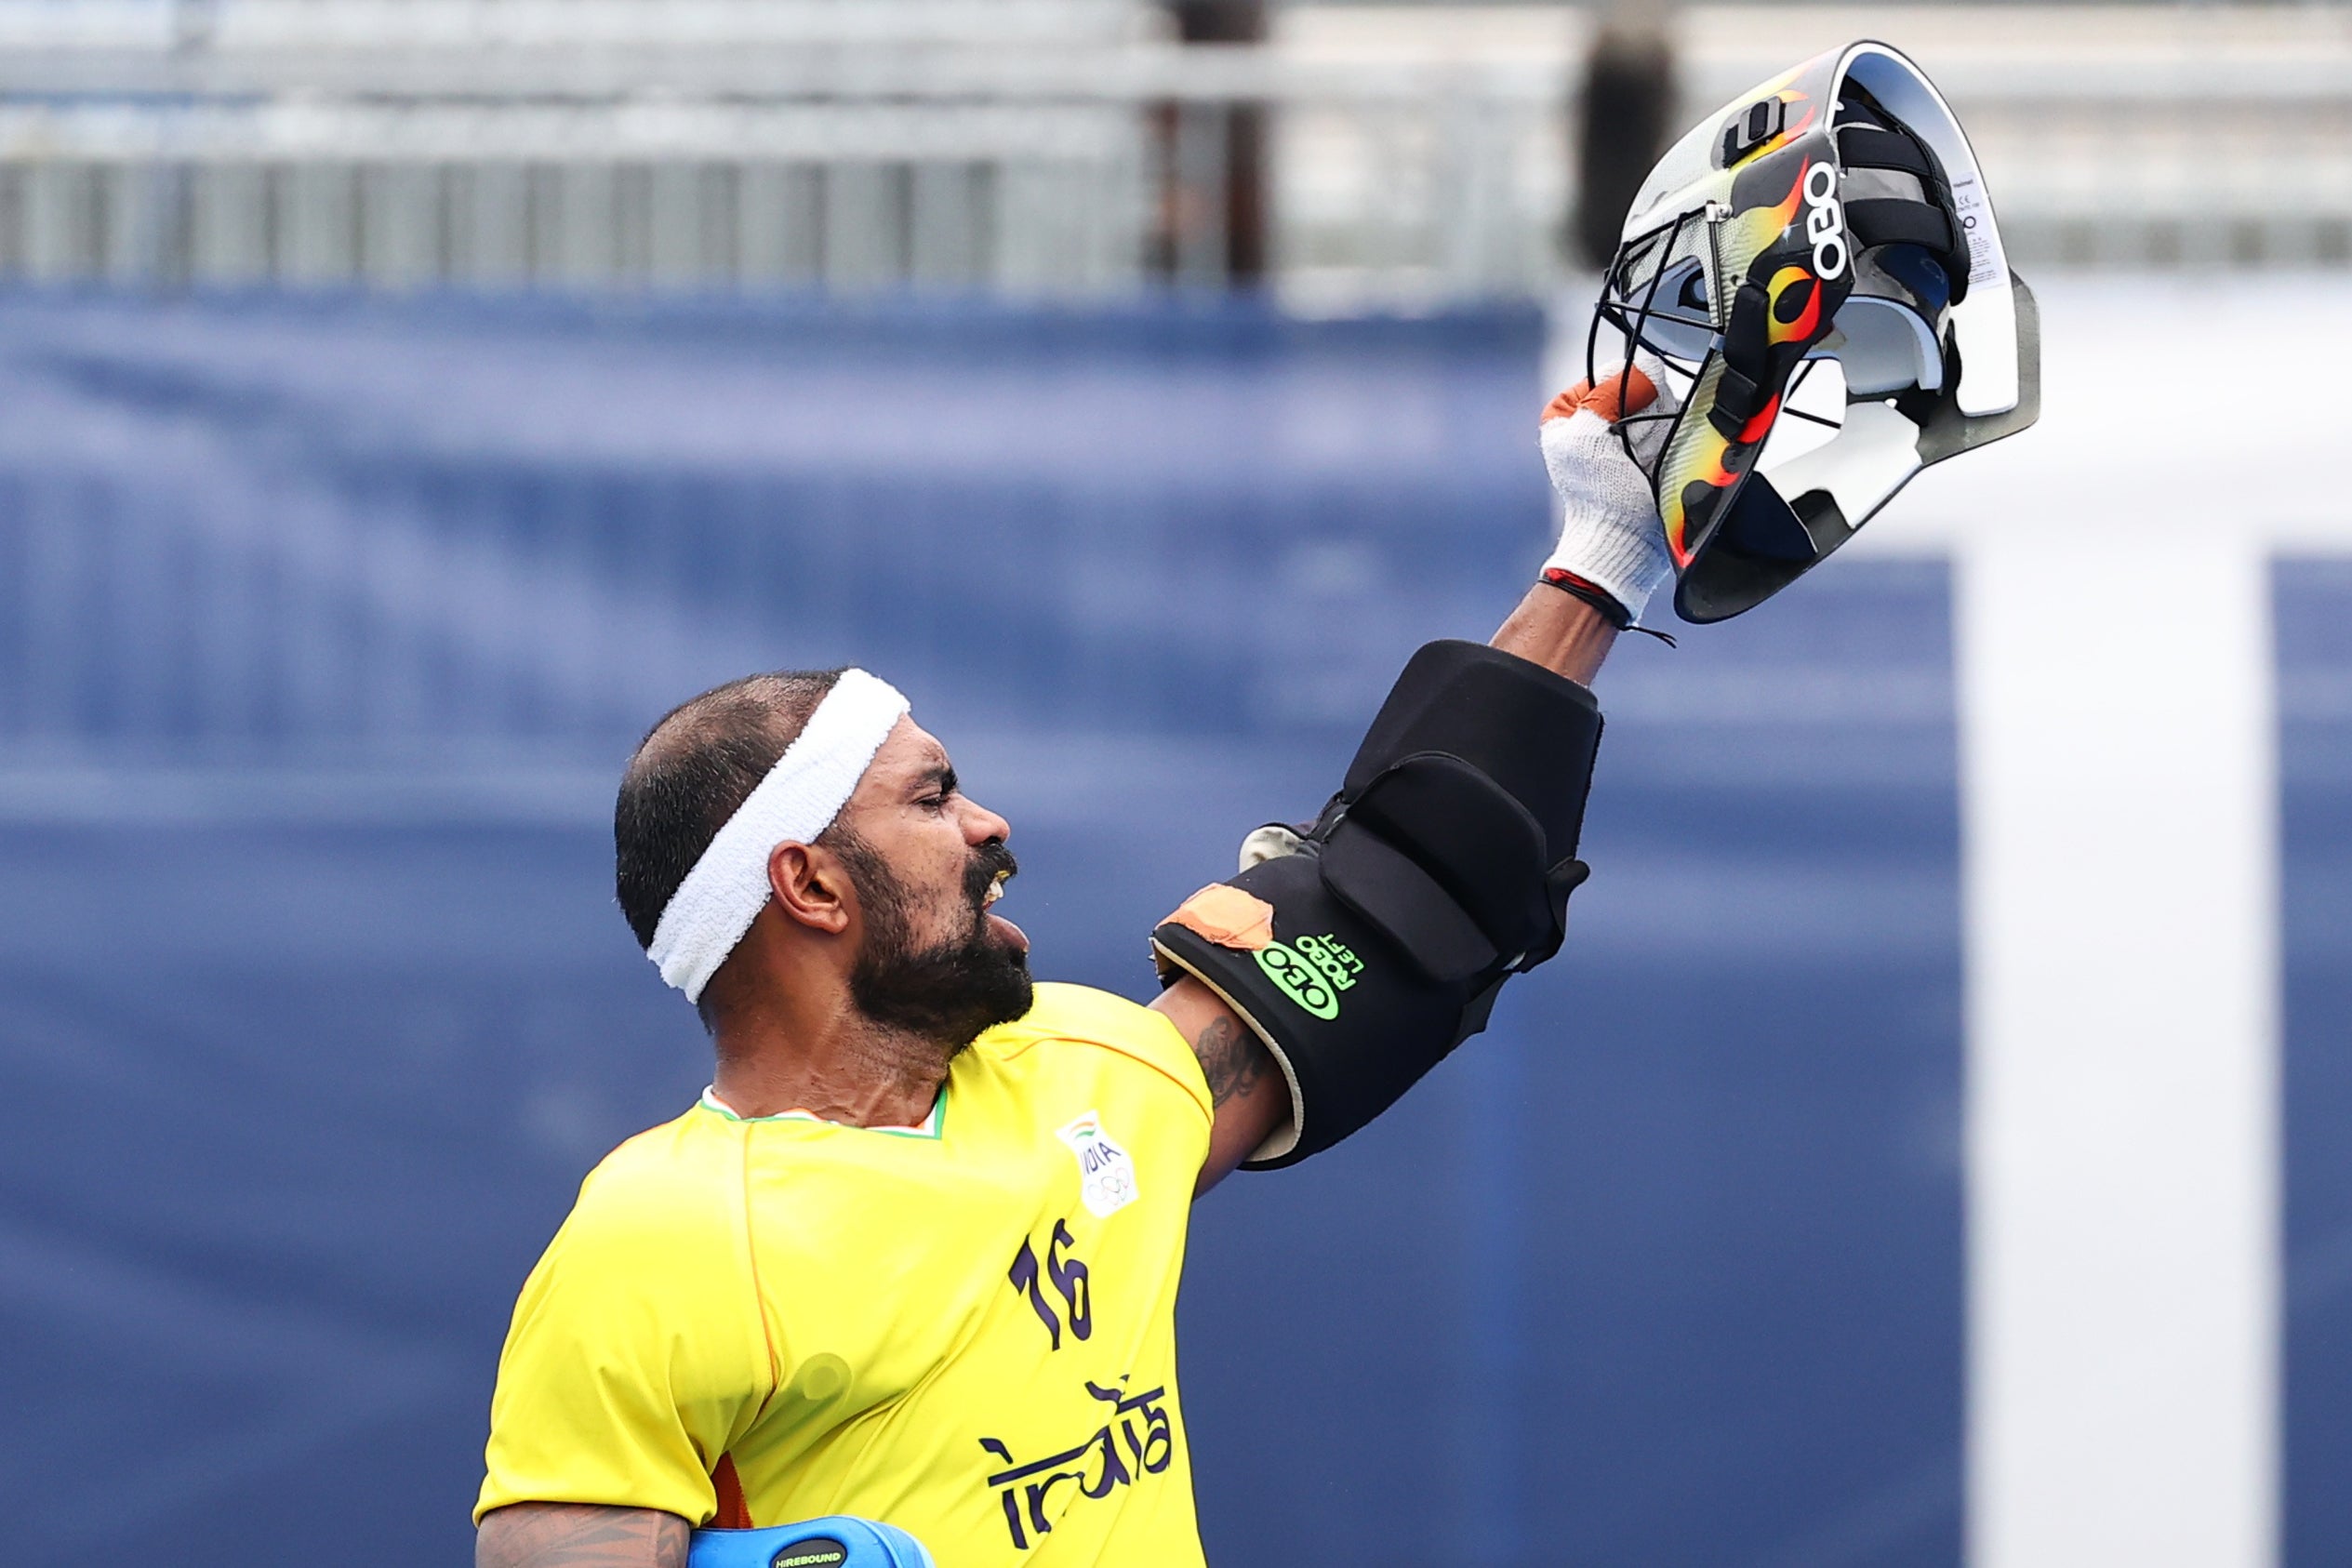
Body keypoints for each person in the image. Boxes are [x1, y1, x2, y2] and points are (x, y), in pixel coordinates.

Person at [472, 364, 1675, 1568]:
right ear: (813, 886)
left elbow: (1398, 898)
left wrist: (1603, 551)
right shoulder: (661, 1234)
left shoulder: (1084, 1071)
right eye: (933, 797)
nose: (988, 824)